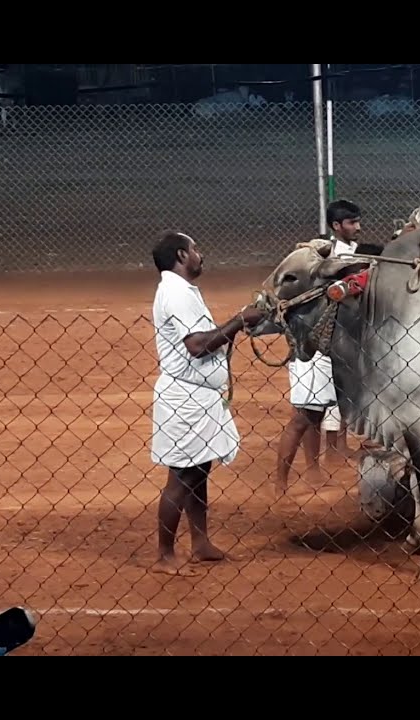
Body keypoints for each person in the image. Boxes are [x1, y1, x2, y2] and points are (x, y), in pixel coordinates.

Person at [149, 230, 262, 576]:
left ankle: (200, 543)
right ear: (181, 256)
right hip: (185, 398)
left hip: (197, 396)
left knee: (199, 470)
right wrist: (240, 322)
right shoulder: (177, 293)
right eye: (195, 249)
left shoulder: (180, 290)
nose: (201, 255)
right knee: (181, 476)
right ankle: (165, 556)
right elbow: (197, 345)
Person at [274, 200, 366, 489]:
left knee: (330, 405)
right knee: (304, 417)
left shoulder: (356, 254)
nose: (358, 227)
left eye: (358, 221)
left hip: (336, 346)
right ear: (337, 226)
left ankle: (320, 467)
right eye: (352, 222)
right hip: (311, 349)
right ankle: (281, 483)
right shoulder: (316, 259)